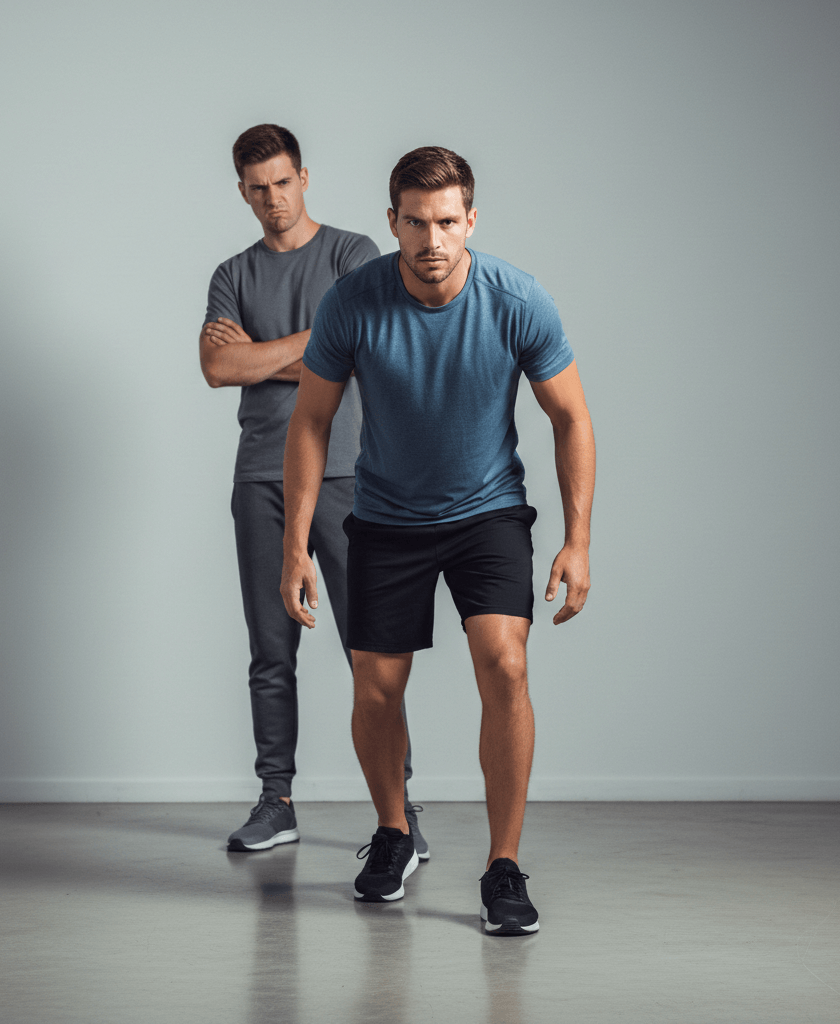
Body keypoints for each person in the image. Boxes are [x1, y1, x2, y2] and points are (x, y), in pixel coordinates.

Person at [280, 146, 595, 934]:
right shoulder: (353, 301)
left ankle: (504, 866)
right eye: (415, 222)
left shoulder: (517, 299)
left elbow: (570, 418)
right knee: (377, 690)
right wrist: (294, 546)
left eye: (447, 222)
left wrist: (578, 538)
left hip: (488, 513)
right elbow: (311, 422)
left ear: (471, 221)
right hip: (386, 517)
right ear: (392, 222)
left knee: (507, 663)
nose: (432, 240)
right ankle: (393, 832)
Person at [200, 124, 427, 857]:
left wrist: (264, 357)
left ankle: (399, 812)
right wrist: (320, 346)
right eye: (258, 188)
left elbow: (366, 350)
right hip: (260, 474)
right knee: (270, 650)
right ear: (243, 191)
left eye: (283, 182)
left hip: (353, 473)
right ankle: (276, 800)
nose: (273, 199)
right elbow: (217, 368)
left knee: (374, 648)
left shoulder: (354, 254)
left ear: (305, 176)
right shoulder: (232, 274)